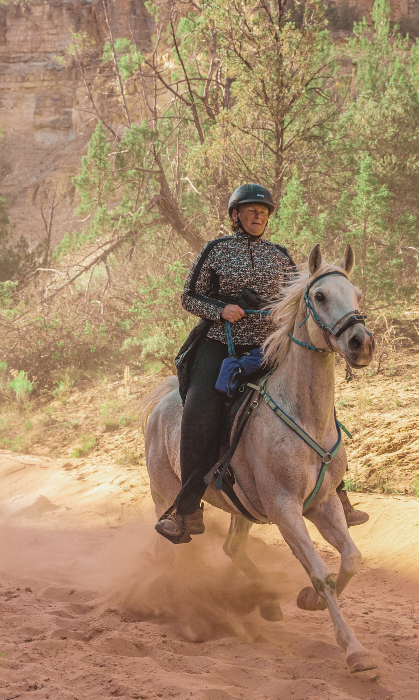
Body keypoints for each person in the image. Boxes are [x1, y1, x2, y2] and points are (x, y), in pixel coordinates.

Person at [155, 183, 370, 543]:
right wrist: (220, 309)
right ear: (235, 215)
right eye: (252, 211)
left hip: (268, 347)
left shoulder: (279, 256)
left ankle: (336, 491)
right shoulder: (216, 251)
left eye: (264, 212)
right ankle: (187, 508)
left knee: (311, 404)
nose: (259, 216)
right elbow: (188, 296)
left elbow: (297, 300)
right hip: (217, 346)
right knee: (200, 411)